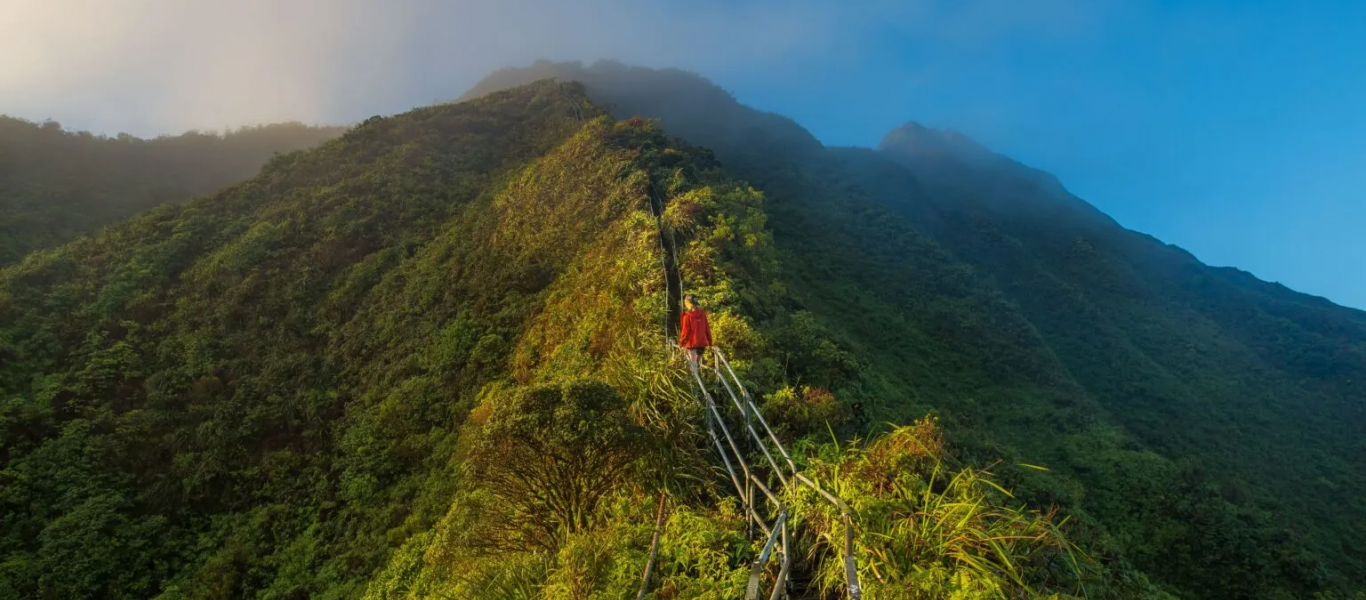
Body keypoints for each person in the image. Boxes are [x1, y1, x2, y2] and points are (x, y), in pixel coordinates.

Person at [679, 294, 712, 366]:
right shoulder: (702, 314)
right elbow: (707, 328)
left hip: (691, 344)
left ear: (687, 303)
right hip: (702, 343)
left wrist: (681, 343)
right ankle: (698, 375)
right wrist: (710, 342)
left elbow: (685, 332)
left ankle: (695, 376)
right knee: (696, 365)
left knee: (693, 366)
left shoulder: (687, 316)